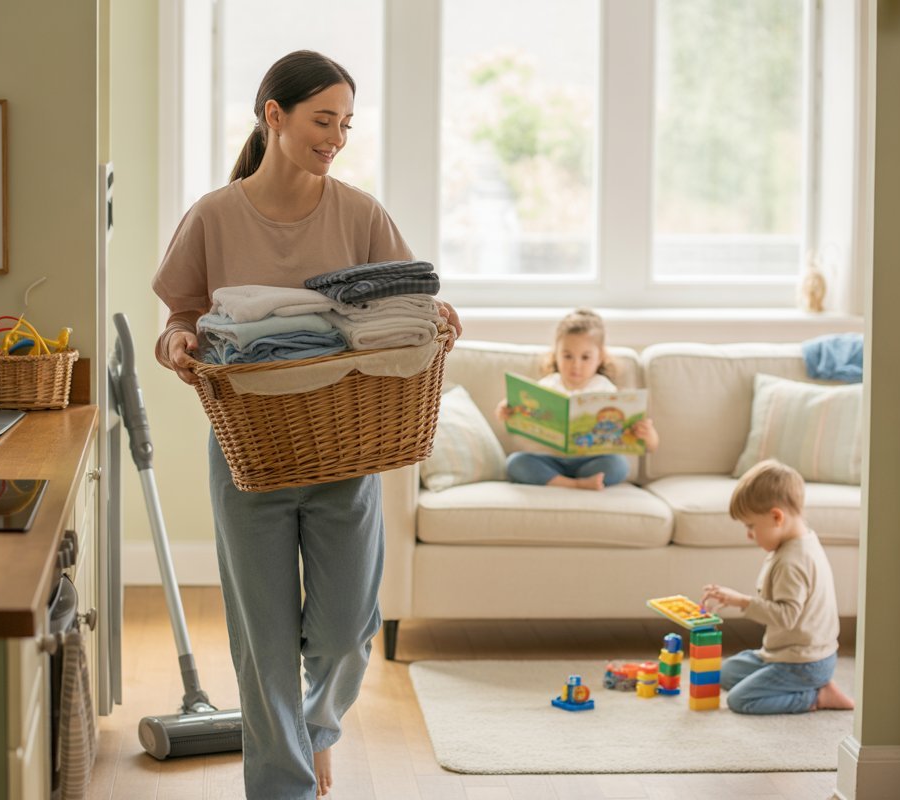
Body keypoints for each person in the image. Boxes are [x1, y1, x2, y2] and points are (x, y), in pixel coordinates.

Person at [151, 50, 460, 800]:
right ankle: (281, 785)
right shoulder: (214, 216)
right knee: (263, 644)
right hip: (249, 455)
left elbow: (405, 307)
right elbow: (179, 318)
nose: (337, 138)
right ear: (274, 116)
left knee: (346, 632)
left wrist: (436, 318)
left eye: (346, 124)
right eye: (324, 120)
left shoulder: (360, 214)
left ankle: (315, 729)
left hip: (345, 451)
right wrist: (179, 344)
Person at [700, 459, 856, 714]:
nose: (749, 535)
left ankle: (816, 696)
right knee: (724, 673)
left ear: (776, 517)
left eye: (751, 526)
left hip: (803, 663)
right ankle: (796, 683)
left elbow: (786, 617)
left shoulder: (792, 561)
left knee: (740, 700)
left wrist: (741, 601)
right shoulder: (801, 542)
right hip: (783, 653)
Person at [495, 308, 658, 490]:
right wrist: (508, 411)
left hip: (590, 462)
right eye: (567, 356)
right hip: (550, 461)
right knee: (516, 463)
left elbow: (649, 446)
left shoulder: (605, 389)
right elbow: (524, 417)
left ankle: (572, 480)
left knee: (618, 465)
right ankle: (574, 484)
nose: (576, 365)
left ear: (600, 357)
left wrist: (648, 435)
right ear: (556, 355)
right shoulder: (548, 384)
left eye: (585, 357)